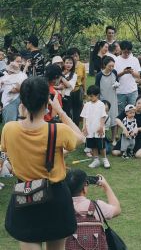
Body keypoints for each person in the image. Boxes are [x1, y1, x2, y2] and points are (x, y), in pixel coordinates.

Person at [1, 76, 85, 249]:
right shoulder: (58, 130)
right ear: (47, 101)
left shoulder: (9, 129)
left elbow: (9, 150)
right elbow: (81, 138)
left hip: (25, 196)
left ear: (22, 100)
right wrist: (60, 112)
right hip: (55, 197)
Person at [65, 169, 121, 250]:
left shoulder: (62, 208)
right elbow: (117, 209)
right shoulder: (98, 206)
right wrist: (106, 186)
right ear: (84, 188)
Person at [81, 85, 110, 169]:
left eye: (91, 96)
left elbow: (103, 116)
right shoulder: (87, 105)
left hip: (98, 129)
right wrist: (84, 127)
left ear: (97, 95)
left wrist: (101, 127)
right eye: (89, 96)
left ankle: (105, 159)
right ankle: (96, 160)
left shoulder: (101, 105)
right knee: (93, 145)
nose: (90, 98)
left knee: (101, 146)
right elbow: (84, 116)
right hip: (89, 129)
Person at [95, 56, 119, 144]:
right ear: (105, 65)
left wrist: (117, 85)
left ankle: (114, 138)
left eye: (113, 66)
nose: (111, 68)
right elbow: (96, 90)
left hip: (113, 98)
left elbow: (117, 81)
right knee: (103, 119)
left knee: (114, 118)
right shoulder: (99, 75)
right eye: (110, 66)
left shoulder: (114, 72)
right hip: (103, 101)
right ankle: (101, 137)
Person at [114, 41, 141, 114]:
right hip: (120, 91)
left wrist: (131, 72)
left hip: (132, 90)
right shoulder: (116, 60)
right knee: (121, 111)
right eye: (125, 52)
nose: (126, 54)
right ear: (121, 50)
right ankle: (121, 125)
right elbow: (114, 76)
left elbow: (138, 75)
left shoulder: (134, 60)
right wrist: (123, 72)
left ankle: (132, 124)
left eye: (128, 52)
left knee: (133, 110)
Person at [67, 48, 86, 126]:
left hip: (78, 90)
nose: (74, 58)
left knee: (77, 110)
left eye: (76, 56)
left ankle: (76, 126)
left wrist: (84, 91)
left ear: (78, 57)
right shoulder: (67, 65)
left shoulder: (82, 65)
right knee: (68, 109)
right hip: (68, 90)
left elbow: (84, 78)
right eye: (72, 56)